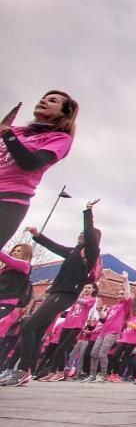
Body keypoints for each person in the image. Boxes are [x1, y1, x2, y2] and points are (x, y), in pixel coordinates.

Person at [0, 199, 101, 386]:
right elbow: (54, 246)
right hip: (56, 293)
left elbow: (88, 233)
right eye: (79, 233)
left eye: (84, 234)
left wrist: (87, 211)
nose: (80, 235)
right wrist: (37, 235)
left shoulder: (91, 252)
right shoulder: (73, 251)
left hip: (66, 295)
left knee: (29, 326)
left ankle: (22, 370)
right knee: (36, 330)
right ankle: (25, 370)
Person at [0, 91, 78, 246]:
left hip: (8, 202)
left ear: (65, 112)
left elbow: (30, 163)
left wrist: (6, 133)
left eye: (52, 100)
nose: (43, 101)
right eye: (43, 98)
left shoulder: (60, 139)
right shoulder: (15, 131)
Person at [0, 243, 32, 322]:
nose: (14, 252)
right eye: (14, 250)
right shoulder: (4, 269)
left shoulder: (25, 265)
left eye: (19, 251)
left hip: (6, 302)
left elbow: (7, 259)